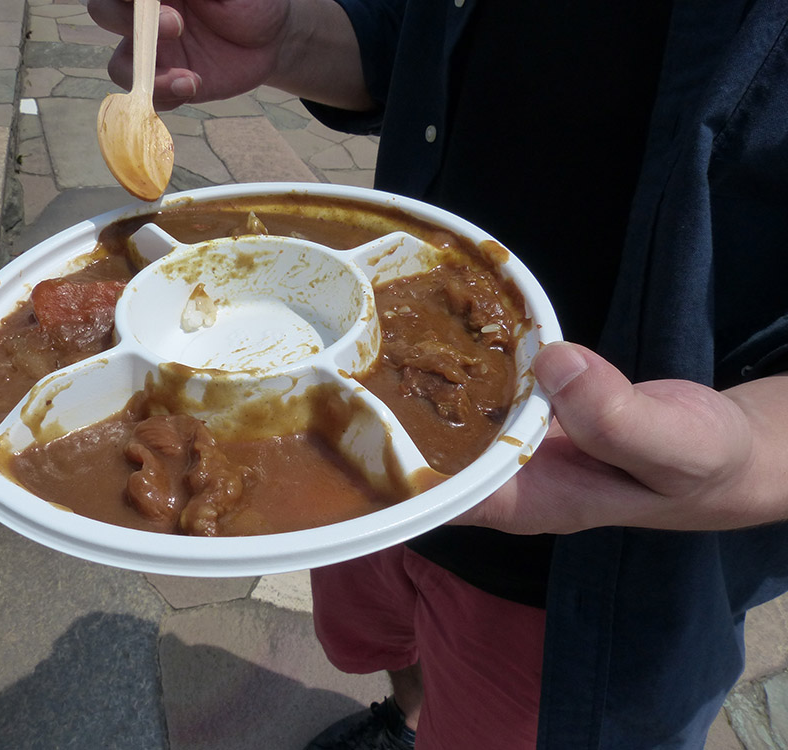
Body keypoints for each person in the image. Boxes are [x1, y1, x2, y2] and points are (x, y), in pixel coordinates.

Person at [88, 1, 788, 747]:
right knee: (377, 639)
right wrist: (294, 36)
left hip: (596, 553)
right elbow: (413, 39)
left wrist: (748, 453)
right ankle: (408, 719)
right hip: (352, 431)